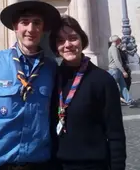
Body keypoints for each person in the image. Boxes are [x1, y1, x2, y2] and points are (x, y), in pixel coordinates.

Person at [0, 0, 61, 170]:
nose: (31, 29)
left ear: (43, 28)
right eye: (25, 22)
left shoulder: (51, 68)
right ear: (16, 27)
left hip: (37, 163)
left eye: (37, 23)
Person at [49, 15, 126, 170]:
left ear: (82, 41)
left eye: (72, 38)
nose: (67, 45)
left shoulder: (103, 80)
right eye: (60, 40)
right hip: (56, 165)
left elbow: (115, 134)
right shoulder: (51, 78)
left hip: (93, 165)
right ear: (55, 47)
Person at [108, 35, 138, 106]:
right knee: (112, 88)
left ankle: (129, 101)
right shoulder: (113, 49)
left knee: (123, 86)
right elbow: (116, 61)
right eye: (119, 40)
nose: (120, 41)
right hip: (114, 70)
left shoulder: (114, 48)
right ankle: (109, 101)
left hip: (117, 70)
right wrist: (123, 71)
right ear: (116, 41)